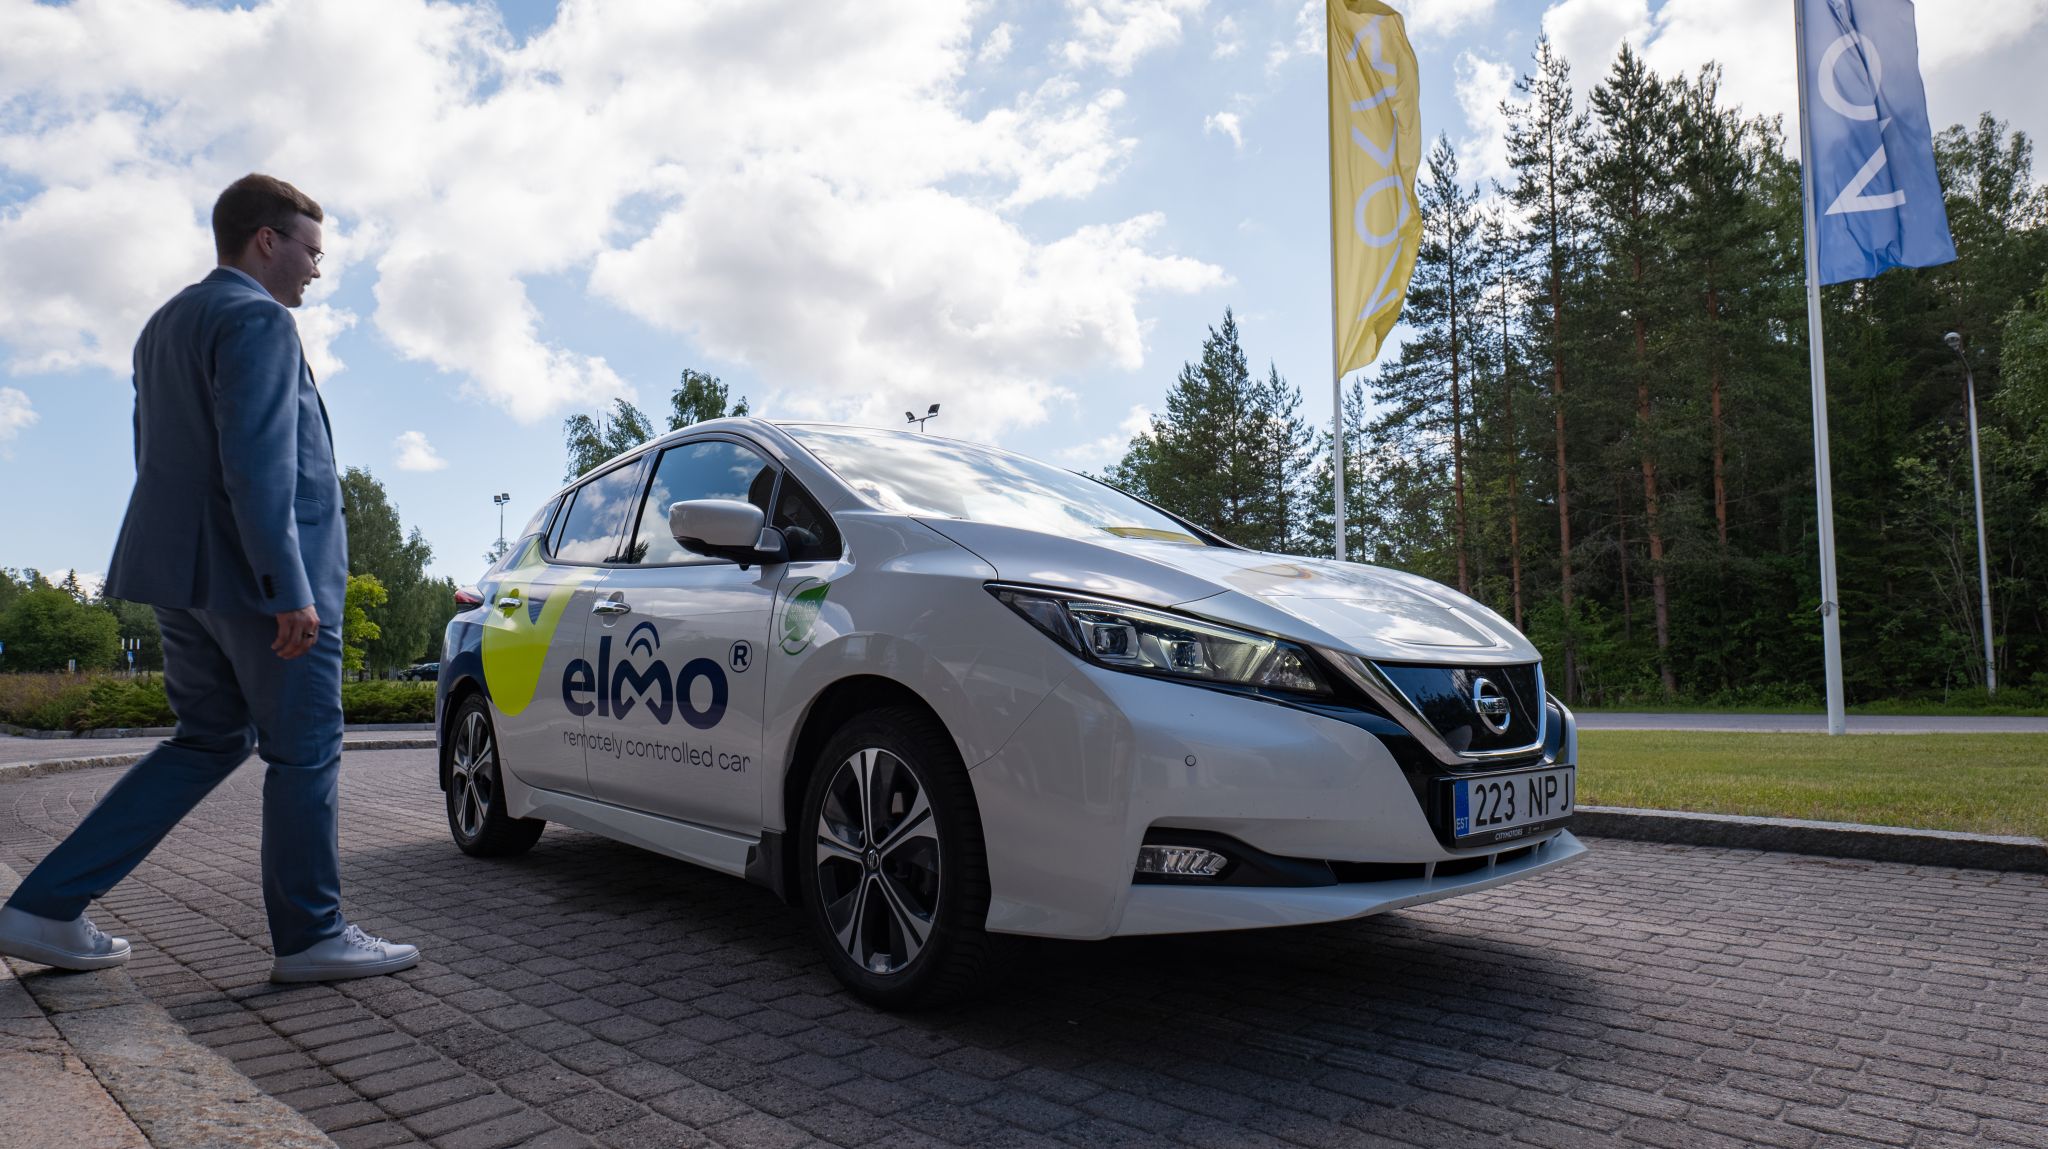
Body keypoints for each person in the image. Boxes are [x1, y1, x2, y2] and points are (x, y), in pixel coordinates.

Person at [0, 174, 418, 984]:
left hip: (180, 577)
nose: (317, 269)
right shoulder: (258, 318)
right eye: (310, 249)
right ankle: (311, 935)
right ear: (267, 239)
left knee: (209, 738)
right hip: (261, 584)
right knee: (305, 751)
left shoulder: (163, 325)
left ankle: (44, 906)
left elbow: (154, 453)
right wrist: (284, 581)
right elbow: (257, 458)